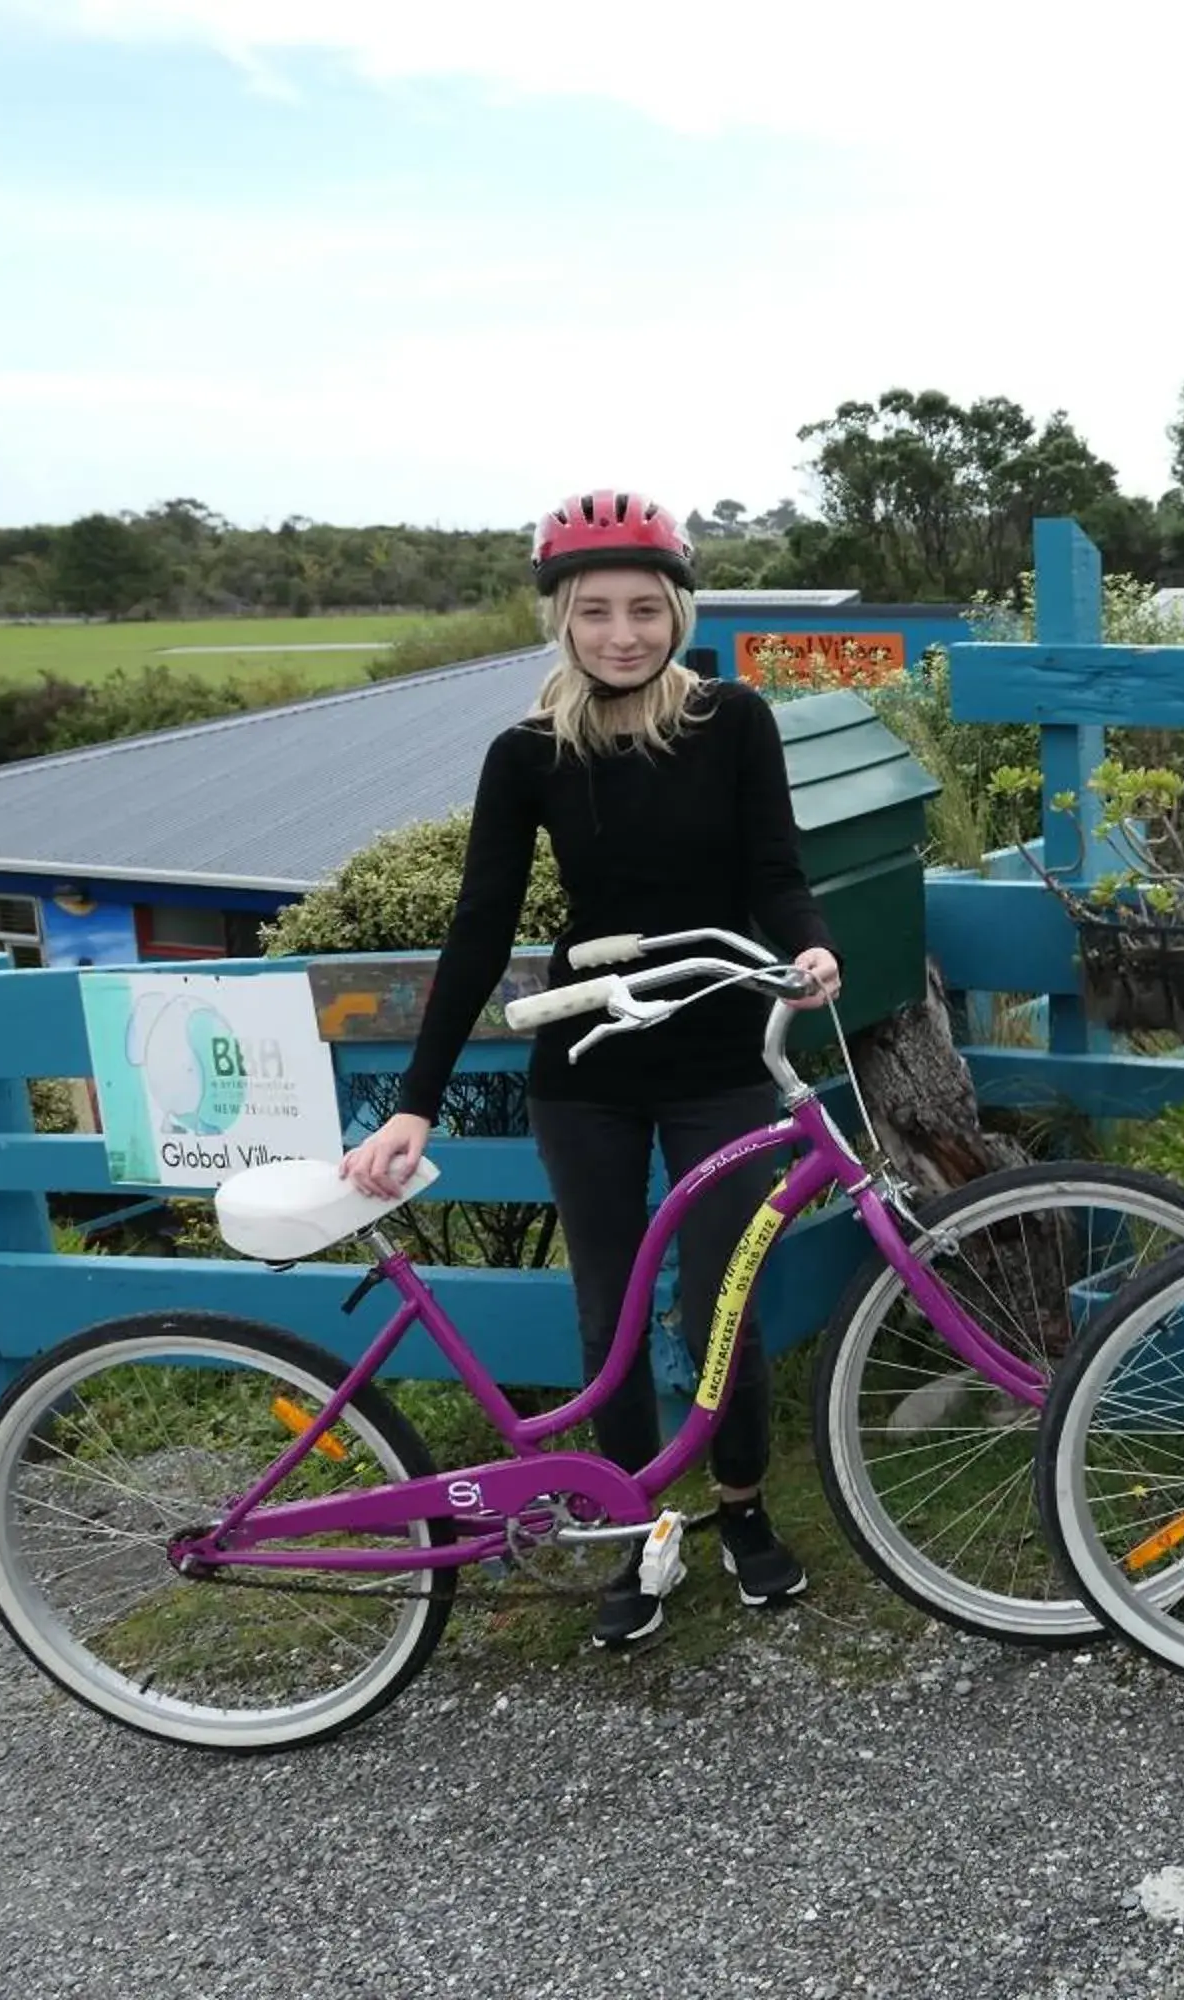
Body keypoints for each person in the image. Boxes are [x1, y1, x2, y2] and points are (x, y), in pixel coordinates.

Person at [341, 487, 843, 1651]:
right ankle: (632, 1530)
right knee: (608, 1307)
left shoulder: (735, 720)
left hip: (717, 1043)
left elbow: (776, 866)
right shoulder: (528, 754)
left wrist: (807, 939)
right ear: (561, 620)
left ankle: (743, 1507)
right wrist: (415, 1099)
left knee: (727, 1297)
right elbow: (479, 926)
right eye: (596, 611)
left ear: (678, 610)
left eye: (645, 609)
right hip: (588, 1057)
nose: (624, 633)